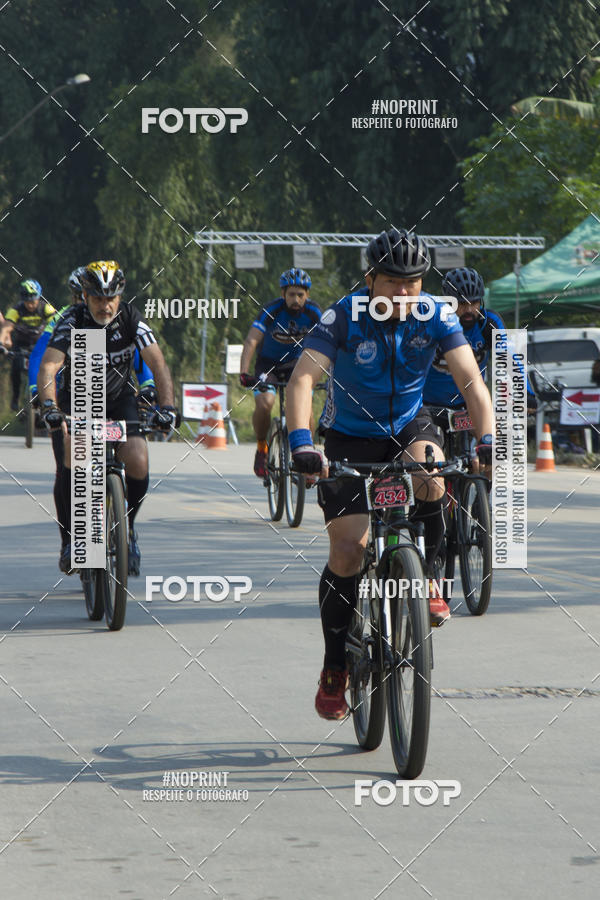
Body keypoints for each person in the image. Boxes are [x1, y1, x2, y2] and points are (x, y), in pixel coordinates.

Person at [287, 228, 494, 720]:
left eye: (413, 283)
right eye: (393, 283)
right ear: (371, 279)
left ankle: (430, 580)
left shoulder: (437, 315)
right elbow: (303, 379)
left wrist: (488, 439)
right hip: (348, 436)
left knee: (432, 474)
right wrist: (300, 443)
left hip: (407, 424)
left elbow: (470, 380)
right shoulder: (343, 316)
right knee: (350, 548)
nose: (404, 294)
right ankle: (335, 665)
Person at [37, 260, 179, 576]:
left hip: (118, 402)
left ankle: (126, 527)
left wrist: (167, 406)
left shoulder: (130, 318)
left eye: (111, 297)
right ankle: (70, 543)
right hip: (80, 402)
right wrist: (49, 407)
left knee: (139, 458)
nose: (106, 305)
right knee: (70, 465)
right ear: (85, 297)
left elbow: (158, 363)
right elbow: (49, 366)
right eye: (99, 298)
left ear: (120, 295)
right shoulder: (71, 320)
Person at [239, 268, 321, 478]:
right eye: (291, 294)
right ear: (283, 294)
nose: (295, 299)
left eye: (300, 295)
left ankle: (306, 455)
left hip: (297, 365)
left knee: (307, 412)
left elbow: (326, 343)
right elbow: (251, 340)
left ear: (307, 295)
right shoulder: (271, 310)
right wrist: (244, 372)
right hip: (269, 366)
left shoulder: (314, 312)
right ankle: (261, 448)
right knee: (265, 403)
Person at [424, 266, 537, 412]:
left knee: (489, 434)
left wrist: (526, 392)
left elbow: (509, 357)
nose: (469, 310)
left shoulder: (489, 322)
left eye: (474, 302)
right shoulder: (433, 320)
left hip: (470, 402)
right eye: (463, 304)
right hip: (429, 404)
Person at [0, 279, 56, 410]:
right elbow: (6, 328)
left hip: (40, 344)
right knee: (16, 367)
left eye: (33, 301)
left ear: (38, 298)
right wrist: (1, 342)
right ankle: (15, 397)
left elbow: (55, 326)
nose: (30, 305)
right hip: (21, 345)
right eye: (27, 301)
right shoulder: (16, 310)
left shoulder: (46, 308)